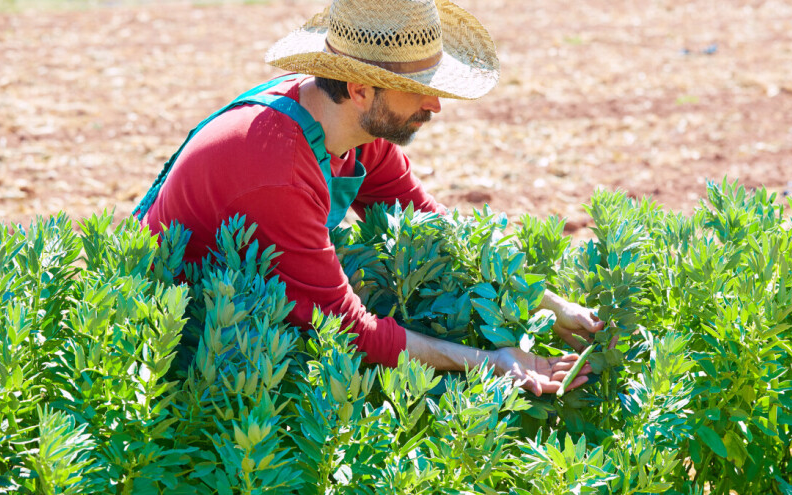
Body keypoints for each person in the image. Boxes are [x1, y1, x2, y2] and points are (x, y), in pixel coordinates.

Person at [135, 0, 604, 397]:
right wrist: (491, 361)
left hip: (246, 290)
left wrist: (547, 301)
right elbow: (351, 330)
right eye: (418, 90)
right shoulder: (274, 167)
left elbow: (429, 224)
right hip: (183, 334)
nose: (435, 105)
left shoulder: (358, 130)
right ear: (360, 90)